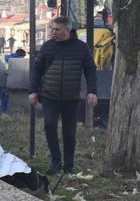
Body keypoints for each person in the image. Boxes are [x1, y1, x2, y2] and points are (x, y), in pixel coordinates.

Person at [29, 16, 98, 175]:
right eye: (52, 29)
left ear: (67, 30)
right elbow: (37, 69)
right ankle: (55, 161)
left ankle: (69, 166)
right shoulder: (47, 47)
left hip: (71, 98)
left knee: (69, 132)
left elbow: (90, 70)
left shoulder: (81, 48)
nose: (54, 32)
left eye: (57, 29)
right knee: (50, 125)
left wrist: (92, 91)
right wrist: (33, 91)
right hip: (49, 96)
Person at [0, 48, 27, 113]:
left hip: (4, 80)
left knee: (4, 97)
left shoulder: (8, 58)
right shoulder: (16, 60)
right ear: (21, 55)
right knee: (8, 98)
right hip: (9, 81)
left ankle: (2, 111)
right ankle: (6, 111)